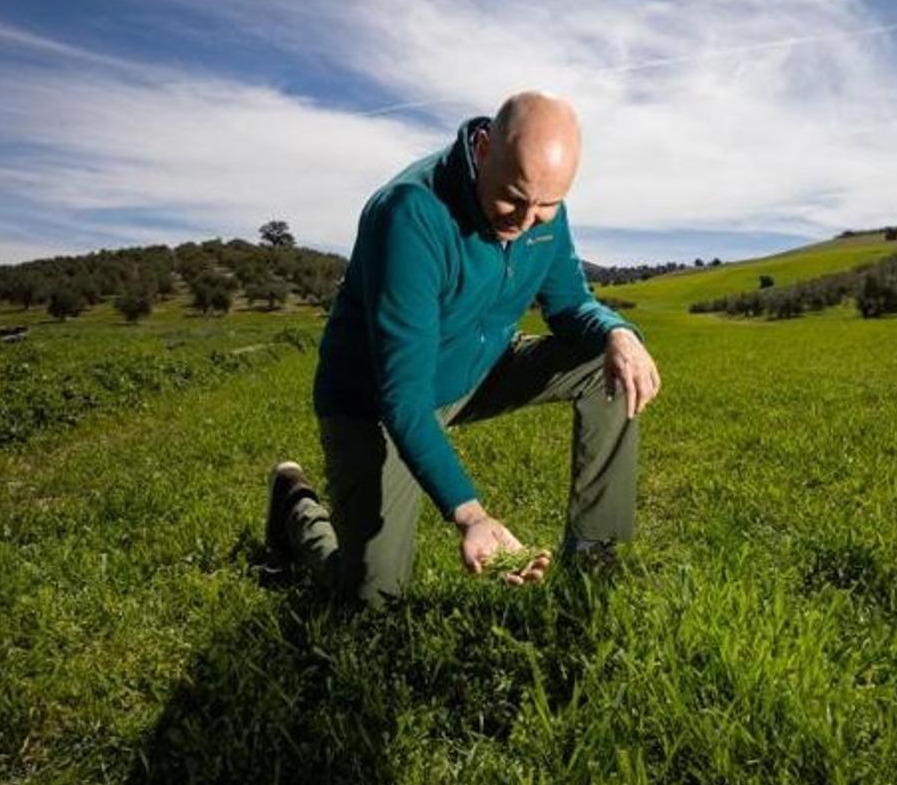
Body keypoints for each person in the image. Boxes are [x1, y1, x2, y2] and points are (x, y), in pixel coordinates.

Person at [265, 90, 661, 608]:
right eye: (513, 197)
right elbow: (402, 397)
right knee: (371, 600)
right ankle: (294, 504)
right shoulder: (410, 213)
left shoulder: (541, 210)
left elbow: (568, 305)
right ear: (482, 147)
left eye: (547, 205)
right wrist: (471, 515)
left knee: (604, 358)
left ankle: (593, 555)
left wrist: (618, 332)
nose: (525, 219)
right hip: (376, 406)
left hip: (478, 373)